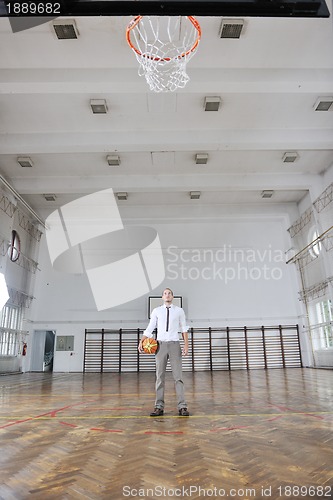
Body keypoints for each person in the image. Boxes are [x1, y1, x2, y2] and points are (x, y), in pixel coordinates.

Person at [138, 288, 190, 417]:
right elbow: (150, 327)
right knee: (159, 377)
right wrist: (141, 341)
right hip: (160, 345)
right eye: (165, 293)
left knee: (178, 377)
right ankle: (159, 407)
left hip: (174, 345)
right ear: (162, 297)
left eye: (170, 293)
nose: (167, 295)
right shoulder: (156, 311)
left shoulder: (179, 311)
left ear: (173, 297)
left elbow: (184, 328)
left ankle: (182, 406)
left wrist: (186, 345)